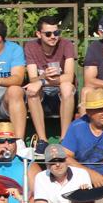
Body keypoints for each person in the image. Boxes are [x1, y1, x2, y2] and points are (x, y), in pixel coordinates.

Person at [23, 14, 78, 142]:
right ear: (38, 34)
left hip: (63, 94)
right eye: (48, 34)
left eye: (56, 32)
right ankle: (42, 140)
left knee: (66, 87)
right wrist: (43, 77)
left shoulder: (66, 45)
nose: (53, 37)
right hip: (43, 94)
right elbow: (32, 79)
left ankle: (65, 138)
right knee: (32, 91)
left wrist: (41, 81)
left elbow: (69, 77)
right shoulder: (31, 47)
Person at [62, 90, 103, 188]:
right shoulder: (76, 127)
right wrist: (90, 174)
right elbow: (66, 157)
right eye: (100, 109)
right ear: (89, 112)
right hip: (82, 180)